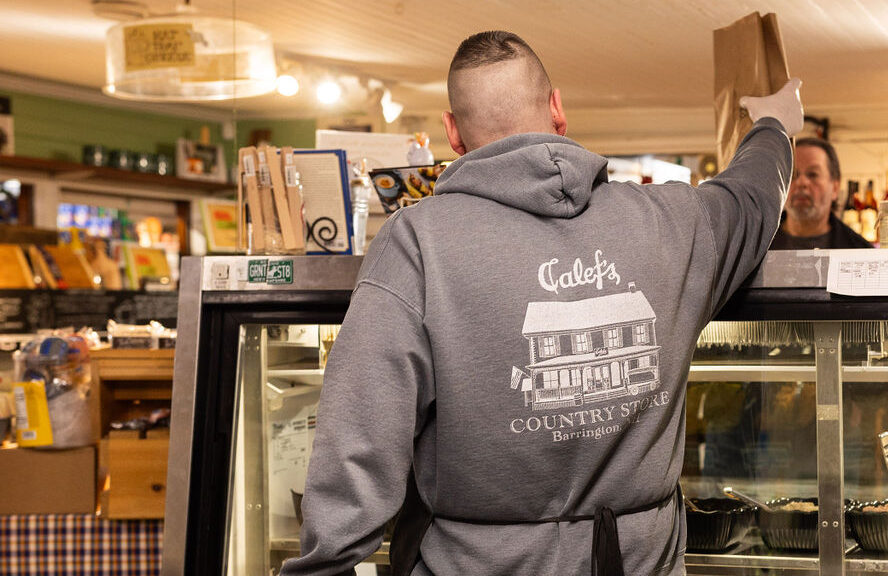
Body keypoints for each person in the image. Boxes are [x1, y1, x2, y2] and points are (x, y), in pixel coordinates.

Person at [281, 30, 803, 576]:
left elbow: (358, 440)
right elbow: (753, 193)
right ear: (557, 108)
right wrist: (774, 124)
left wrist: (327, 566)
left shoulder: (416, 242)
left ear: (453, 133)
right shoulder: (673, 221)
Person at [768, 137, 874, 249]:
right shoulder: (758, 246)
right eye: (793, 174)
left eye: (813, 174)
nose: (801, 182)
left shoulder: (859, 250)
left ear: (835, 187)